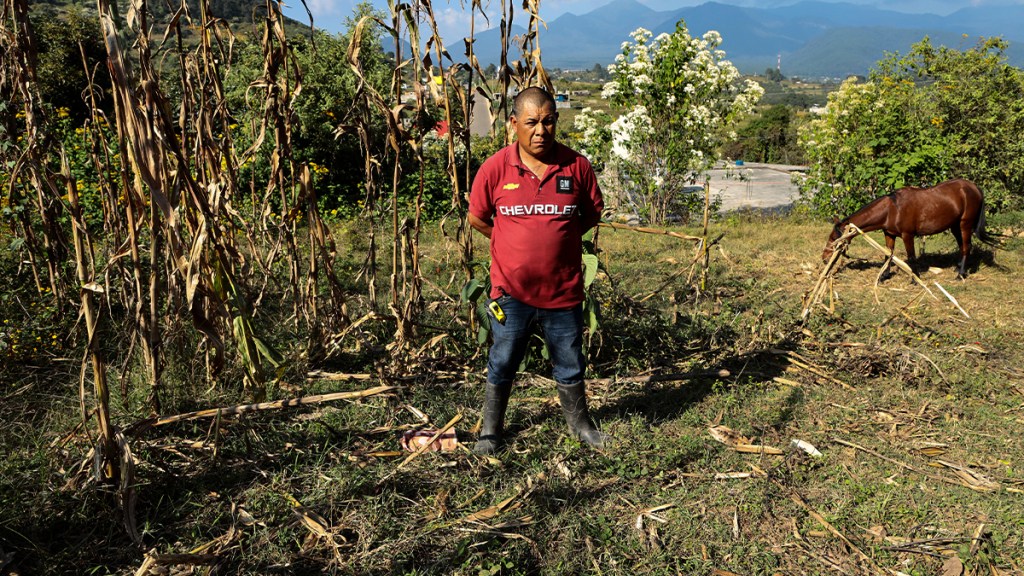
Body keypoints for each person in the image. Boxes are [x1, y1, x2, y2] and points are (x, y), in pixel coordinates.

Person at [468, 86, 608, 454]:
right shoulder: (496, 168)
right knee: (502, 359)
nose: (541, 130)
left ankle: (581, 426)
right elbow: (478, 217)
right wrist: (513, 241)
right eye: (531, 122)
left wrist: (554, 236)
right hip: (510, 292)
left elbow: (592, 213)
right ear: (514, 123)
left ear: (556, 121)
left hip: (562, 292)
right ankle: (491, 431)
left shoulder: (576, 166)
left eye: (548, 121)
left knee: (570, 360)